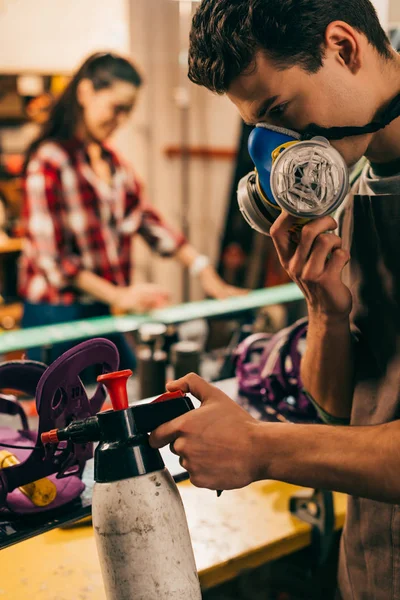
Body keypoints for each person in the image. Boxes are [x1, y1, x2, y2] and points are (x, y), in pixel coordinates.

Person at [148, 1, 400, 598]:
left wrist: (260, 445)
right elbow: (341, 413)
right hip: (371, 568)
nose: (280, 148)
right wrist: (325, 312)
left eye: (280, 112)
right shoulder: (356, 184)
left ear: (344, 47)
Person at [19, 52, 243, 366]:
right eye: (116, 108)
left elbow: (147, 222)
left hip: (99, 309)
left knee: (128, 385)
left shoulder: (113, 163)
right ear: (85, 93)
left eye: (128, 111)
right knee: (63, 409)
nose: (121, 120)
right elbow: (53, 262)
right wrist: (121, 296)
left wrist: (205, 273)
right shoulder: (49, 161)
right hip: (55, 315)